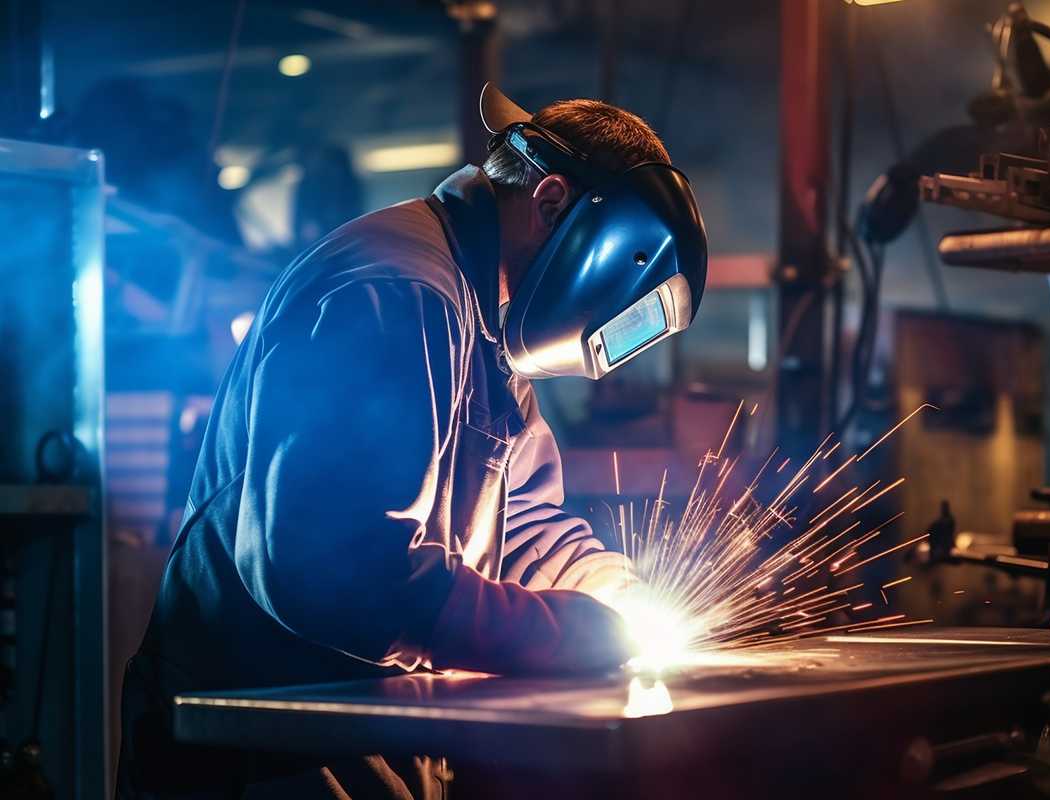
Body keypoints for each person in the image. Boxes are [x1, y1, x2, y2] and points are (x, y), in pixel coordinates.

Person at [116, 84, 707, 799]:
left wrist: (610, 590)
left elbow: (519, 516)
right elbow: (338, 574)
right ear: (551, 205)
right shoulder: (397, 290)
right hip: (258, 740)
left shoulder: (485, 317)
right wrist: (558, 635)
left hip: (360, 727)